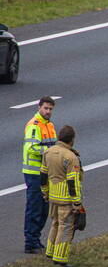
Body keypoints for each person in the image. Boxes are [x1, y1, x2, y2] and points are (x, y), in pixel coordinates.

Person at [40, 125, 81, 267]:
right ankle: (60, 257)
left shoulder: (48, 152)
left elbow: (43, 175)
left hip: (52, 195)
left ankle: (50, 251)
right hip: (66, 198)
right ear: (72, 139)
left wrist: (45, 192)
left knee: (55, 223)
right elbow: (73, 181)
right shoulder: (71, 157)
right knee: (66, 226)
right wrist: (77, 202)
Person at [22, 96, 57, 255]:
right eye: (46, 108)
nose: (48, 111)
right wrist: (50, 153)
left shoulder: (49, 125)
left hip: (45, 172)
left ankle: (36, 239)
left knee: (44, 208)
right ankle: (30, 242)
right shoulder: (34, 126)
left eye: (50, 109)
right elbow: (32, 148)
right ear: (39, 108)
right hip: (34, 173)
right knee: (35, 207)